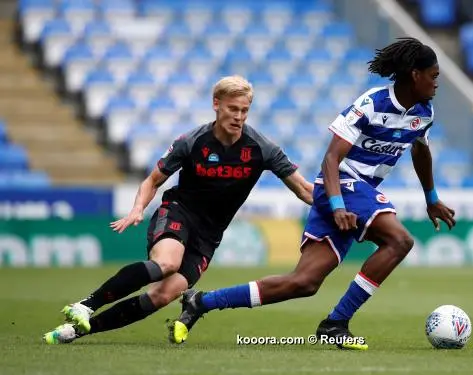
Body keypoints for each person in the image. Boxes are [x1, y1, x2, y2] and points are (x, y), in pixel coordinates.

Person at [167, 37, 456, 350]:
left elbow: (421, 150)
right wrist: (336, 205)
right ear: (415, 74)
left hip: (357, 194)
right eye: (434, 75)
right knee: (400, 240)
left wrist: (431, 197)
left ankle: (202, 302)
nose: (436, 83)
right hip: (340, 185)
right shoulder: (371, 104)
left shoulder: (424, 112)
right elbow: (331, 160)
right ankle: (337, 322)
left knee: (303, 282)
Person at [43, 75, 314, 344]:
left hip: (208, 236)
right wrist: (137, 209)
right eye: (233, 109)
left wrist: (341, 205)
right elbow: (153, 180)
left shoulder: (262, 148)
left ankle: (77, 331)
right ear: (216, 104)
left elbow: (304, 190)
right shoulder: (192, 141)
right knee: (167, 263)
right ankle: (86, 305)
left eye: (244, 110)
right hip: (178, 212)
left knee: (162, 296)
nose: (239, 116)